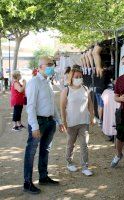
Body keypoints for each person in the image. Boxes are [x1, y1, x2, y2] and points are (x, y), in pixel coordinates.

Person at [24, 56, 65, 194]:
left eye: (52, 64)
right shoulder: (33, 82)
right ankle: (27, 182)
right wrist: (34, 126)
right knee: (31, 152)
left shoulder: (48, 82)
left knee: (45, 150)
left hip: (49, 122)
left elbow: (52, 105)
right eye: (48, 64)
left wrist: (59, 121)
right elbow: (30, 107)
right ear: (40, 67)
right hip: (39, 122)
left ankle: (43, 176)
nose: (51, 67)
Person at [60, 65, 95, 176]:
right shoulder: (66, 90)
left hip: (83, 122)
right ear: (71, 77)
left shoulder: (85, 89)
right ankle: (69, 163)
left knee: (84, 144)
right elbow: (62, 107)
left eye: (80, 76)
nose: (78, 78)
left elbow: (90, 104)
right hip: (71, 123)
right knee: (71, 144)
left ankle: (85, 166)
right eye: (76, 76)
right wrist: (64, 121)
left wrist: (92, 116)